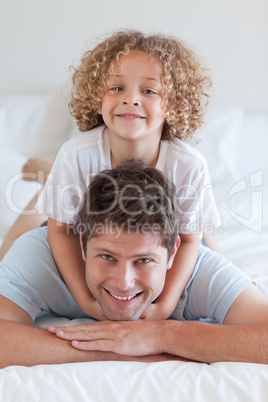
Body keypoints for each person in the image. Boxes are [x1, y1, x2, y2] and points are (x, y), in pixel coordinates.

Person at [0, 160, 268, 368]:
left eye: (143, 261)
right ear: (83, 244)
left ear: (172, 253)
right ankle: (51, 180)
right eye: (107, 257)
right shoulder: (41, 253)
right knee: (11, 242)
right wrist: (109, 347)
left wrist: (161, 336)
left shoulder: (198, 269)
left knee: (212, 248)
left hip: (184, 246)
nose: (123, 283)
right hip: (57, 229)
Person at [36, 30, 221, 322]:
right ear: (99, 99)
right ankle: (45, 179)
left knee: (207, 246)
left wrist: (163, 307)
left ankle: (48, 176)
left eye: (148, 91)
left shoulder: (190, 165)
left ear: (172, 105)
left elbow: (187, 241)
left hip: (165, 236)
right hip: (81, 229)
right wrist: (87, 302)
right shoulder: (75, 154)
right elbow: (59, 230)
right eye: (116, 88)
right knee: (27, 235)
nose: (130, 99)